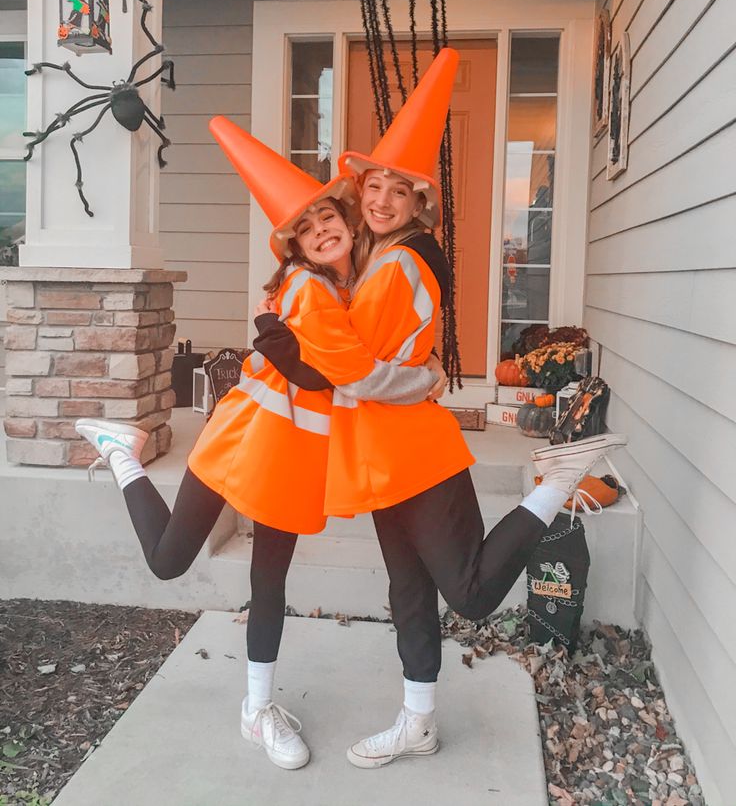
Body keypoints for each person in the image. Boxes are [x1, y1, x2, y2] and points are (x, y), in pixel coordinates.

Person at [253, 47, 627, 768]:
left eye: (402, 188)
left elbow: (353, 368)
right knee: (408, 590)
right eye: (376, 184)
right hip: (383, 459)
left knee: (471, 592)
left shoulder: (398, 263)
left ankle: (557, 479)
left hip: (414, 454)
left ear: (421, 201)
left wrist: (300, 344)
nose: (383, 197)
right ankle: (418, 720)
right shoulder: (377, 256)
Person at [74, 124, 443, 772]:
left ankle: (257, 709)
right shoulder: (306, 288)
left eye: (329, 215)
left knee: (268, 580)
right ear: (295, 246)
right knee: (168, 561)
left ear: (348, 221)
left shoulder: (349, 288)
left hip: (293, 460)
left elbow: (362, 347)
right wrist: (423, 376)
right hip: (243, 441)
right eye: (306, 227)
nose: (323, 229)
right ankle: (121, 453)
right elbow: (326, 374)